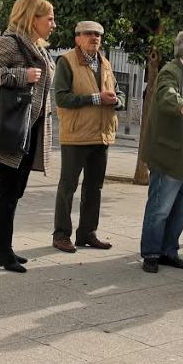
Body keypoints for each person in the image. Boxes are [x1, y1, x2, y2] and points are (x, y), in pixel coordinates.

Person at [0, 0, 57, 273]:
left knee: (14, 190)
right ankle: (3, 251)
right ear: (31, 17)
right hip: (12, 128)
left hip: (29, 129)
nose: (53, 24)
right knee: (9, 191)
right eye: (48, 18)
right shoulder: (9, 43)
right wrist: (23, 76)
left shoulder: (38, 47)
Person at [139, 29, 183, 273]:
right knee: (161, 206)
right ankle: (151, 253)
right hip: (172, 152)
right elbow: (165, 93)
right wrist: (182, 106)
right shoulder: (172, 70)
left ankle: (169, 251)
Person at [51, 21, 126, 253]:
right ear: (77, 38)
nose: (94, 38)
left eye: (98, 35)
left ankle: (87, 233)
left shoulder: (105, 63)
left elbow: (118, 91)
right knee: (68, 186)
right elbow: (62, 98)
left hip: (102, 134)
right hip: (76, 134)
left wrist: (118, 101)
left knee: (95, 187)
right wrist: (96, 98)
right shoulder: (66, 61)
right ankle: (61, 234)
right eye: (89, 34)